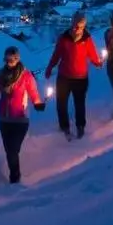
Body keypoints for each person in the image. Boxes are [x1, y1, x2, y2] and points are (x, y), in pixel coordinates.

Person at [0, 46, 45, 184]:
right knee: (10, 151)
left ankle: (14, 176)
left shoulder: (26, 75)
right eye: (7, 59)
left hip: (20, 119)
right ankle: (15, 176)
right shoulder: (0, 75)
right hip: (4, 119)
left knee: (13, 150)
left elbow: (33, 92)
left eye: (12, 59)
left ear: (17, 59)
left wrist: (37, 103)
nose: (9, 62)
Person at [44, 11, 103, 139]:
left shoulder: (87, 39)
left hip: (81, 78)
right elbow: (56, 55)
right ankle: (64, 126)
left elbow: (92, 54)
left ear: (84, 26)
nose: (77, 28)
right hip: (64, 77)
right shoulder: (64, 38)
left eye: (80, 26)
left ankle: (80, 126)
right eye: (76, 25)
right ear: (72, 23)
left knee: (79, 103)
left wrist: (97, 62)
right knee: (61, 103)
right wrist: (50, 67)